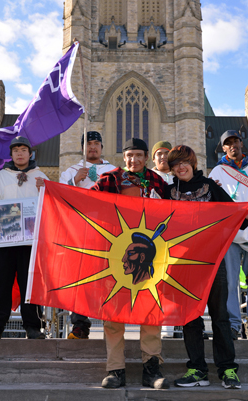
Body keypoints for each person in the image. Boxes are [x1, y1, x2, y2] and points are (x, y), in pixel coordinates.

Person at [164, 145, 248, 389]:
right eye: (175, 164)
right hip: (183, 264)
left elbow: (232, 214)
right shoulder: (167, 192)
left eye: (184, 162)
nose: (180, 167)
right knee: (190, 318)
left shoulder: (211, 187)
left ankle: (227, 369)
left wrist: (246, 213)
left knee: (220, 316)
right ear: (171, 168)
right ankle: (197, 370)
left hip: (213, 262)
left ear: (193, 163)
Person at [91, 137, 170, 390]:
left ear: (146, 157)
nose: (133, 160)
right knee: (113, 314)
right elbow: (86, 202)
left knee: (151, 313)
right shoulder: (109, 180)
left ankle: (151, 369)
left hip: (151, 256)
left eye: (138, 155)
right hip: (117, 256)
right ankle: (115, 370)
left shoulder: (158, 181)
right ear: (123, 158)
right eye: (129, 156)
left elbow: (176, 213)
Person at [0, 136, 47, 340]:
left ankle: (33, 325)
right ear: (11, 154)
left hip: (31, 240)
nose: (20, 153)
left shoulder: (41, 176)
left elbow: (49, 206)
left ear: (30, 153)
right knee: (1, 281)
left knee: (30, 282)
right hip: (4, 239)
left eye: (23, 149)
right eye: (16, 150)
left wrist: (44, 189)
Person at [209, 130, 248, 341]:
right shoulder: (217, 173)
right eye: (228, 143)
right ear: (223, 148)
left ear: (242, 144)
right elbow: (213, 204)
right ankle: (233, 325)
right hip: (231, 232)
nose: (233, 145)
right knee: (230, 281)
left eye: (236, 141)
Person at [59, 131, 115, 339]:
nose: (92, 147)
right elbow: (60, 196)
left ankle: (112, 324)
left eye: (96, 143)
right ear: (83, 147)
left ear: (102, 147)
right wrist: (74, 181)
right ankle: (80, 324)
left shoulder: (113, 170)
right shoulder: (71, 171)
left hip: (108, 231)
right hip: (81, 232)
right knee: (82, 278)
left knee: (110, 276)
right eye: (88, 143)